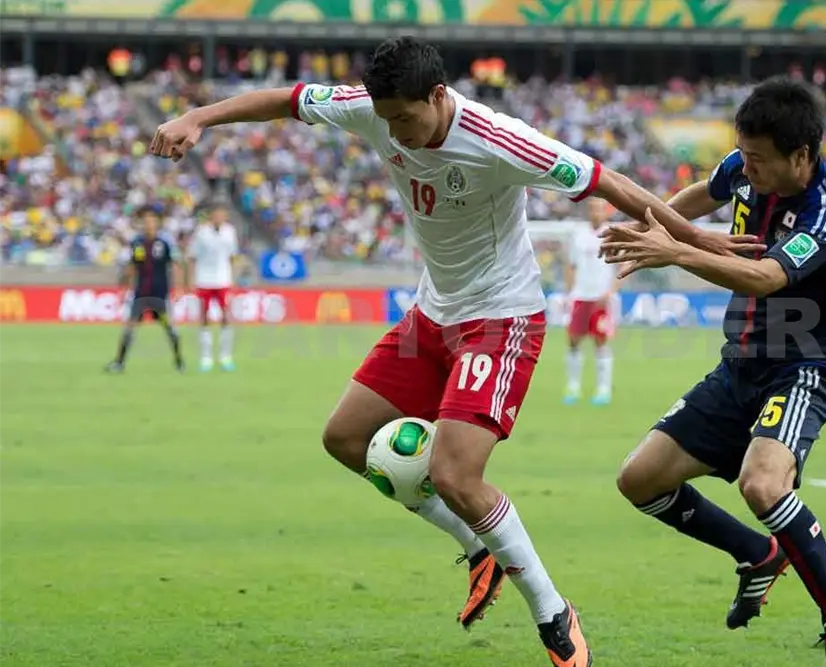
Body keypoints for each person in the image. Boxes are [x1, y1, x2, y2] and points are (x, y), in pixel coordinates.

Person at [149, 36, 757, 667]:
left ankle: (553, 612)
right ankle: (479, 549)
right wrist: (198, 118)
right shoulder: (372, 108)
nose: (397, 135)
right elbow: (285, 98)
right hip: (432, 312)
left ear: (438, 97)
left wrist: (692, 239)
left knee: (455, 475)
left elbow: (611, 183)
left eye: (407, 120)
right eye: (387, 122)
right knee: (345, 439)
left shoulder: (501, 139)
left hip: (501, 318)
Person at [601, 77, 826, 667]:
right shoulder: (747, 163)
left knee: (763, 484)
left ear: (801, 156)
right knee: (639, 479)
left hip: (800, 367)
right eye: (743, 155)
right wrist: (660, 223)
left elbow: (765, 277)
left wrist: (678, 251)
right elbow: (708, 189)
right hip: (738, 368)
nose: (746, 168)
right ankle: (757, 553)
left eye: (759, 160)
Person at [105, 206, 185, 374]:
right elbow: (132, 266)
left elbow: (176, 265)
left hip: (160, 294)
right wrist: (124, 284)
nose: (148, 223)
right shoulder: (137, 242)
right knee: (130, 327)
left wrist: (178, 288)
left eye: (151, 220)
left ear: (157, 222)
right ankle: (119, 363)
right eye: (145, 220)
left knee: (169, 328)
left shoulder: (165, 242)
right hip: (140, 294)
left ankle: (179, 362)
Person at [563, 199, 617, 406]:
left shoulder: (611, 237)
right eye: (592, 209)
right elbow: (571, 266)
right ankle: (573, 386)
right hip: (580, 296)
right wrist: (569, 293)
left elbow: (623, 266)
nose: (596, 213)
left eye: (599, 209)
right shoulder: (579, 236)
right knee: (574, 341)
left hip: (600, 298)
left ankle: (603, 389)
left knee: (600, 342)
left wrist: (610, 291)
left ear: (606, 212)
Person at [187, 203, 239, 372]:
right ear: (211, 216)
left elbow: (232, 256)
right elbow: (192, 257)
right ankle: (206, 358)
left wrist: (233, 278)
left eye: (222, 214)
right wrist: (190, 281)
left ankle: (225, 357)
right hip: (204, 280)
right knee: (204, 318)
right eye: (216, 214)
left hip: (223, 279)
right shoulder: (201, 233)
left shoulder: (230, 232)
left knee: (226, 317)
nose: (219, 217)